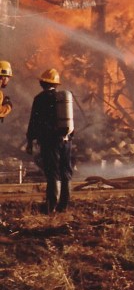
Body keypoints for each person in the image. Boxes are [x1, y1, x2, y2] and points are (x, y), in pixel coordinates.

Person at [26, 68, 73, 213]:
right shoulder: (62, 98)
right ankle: (63, 205)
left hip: (49, 142)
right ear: (56, 84)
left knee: (52, 172)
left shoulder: (40, 99)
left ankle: (51, 206)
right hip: (66, 141)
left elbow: (33, 121)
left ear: (42, 83)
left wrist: (29, 141)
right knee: (65, 171)